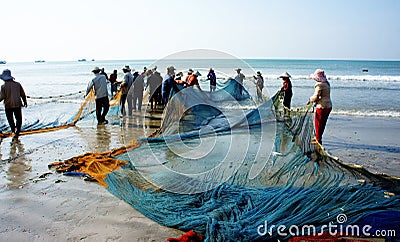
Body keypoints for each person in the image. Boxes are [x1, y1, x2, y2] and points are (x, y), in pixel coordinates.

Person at [0, 69, 27, 137]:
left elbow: (2, 96)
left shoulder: (3, 86)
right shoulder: (17, 84)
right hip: (17, 104)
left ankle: (13, 131)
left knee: (10, 119)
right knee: (18, 118)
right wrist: (25, 102)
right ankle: (17, 131)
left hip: (8, 105)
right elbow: (23, 94)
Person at [308, 69, 332, 145]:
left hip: (322, 107)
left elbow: (316, 96)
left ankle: (318, 140)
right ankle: (319, 138)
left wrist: (310, 99)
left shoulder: (319, 85)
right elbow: (322, 96)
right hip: (328, 106)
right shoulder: (327, 83)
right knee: (323, 123)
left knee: (318, 124)